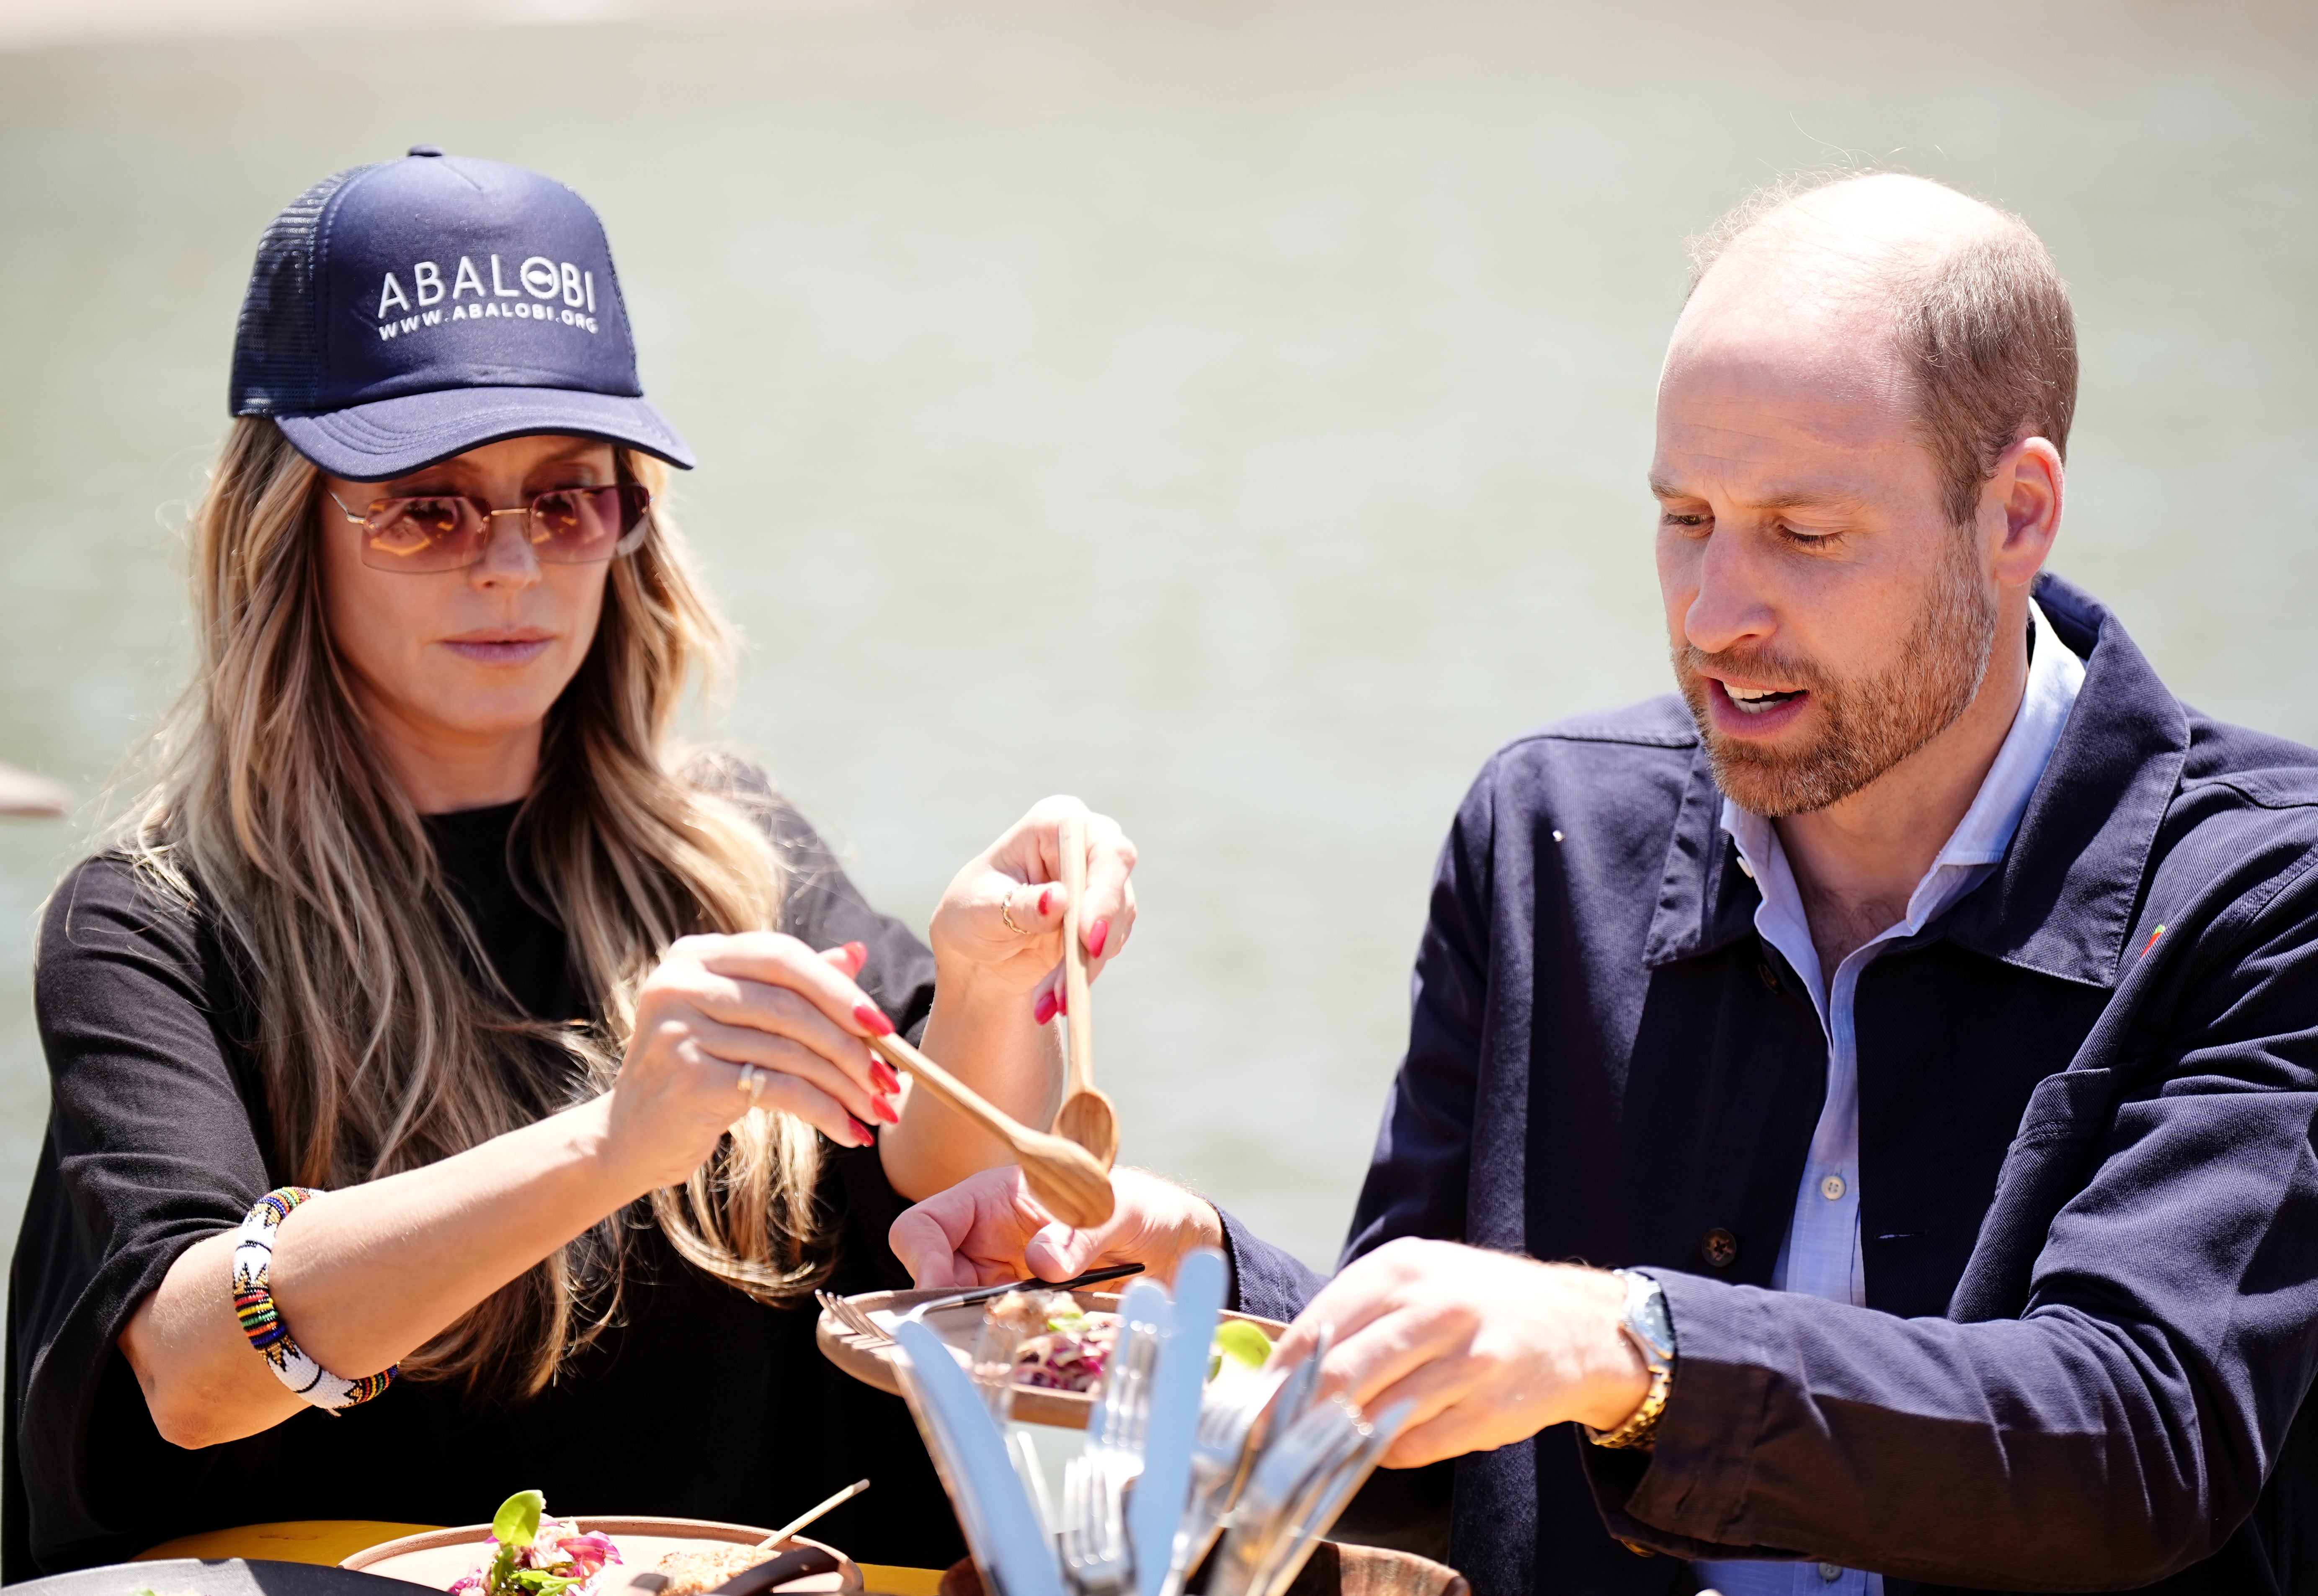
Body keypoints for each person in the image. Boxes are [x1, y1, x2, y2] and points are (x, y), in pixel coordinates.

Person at [891, 173, 2318, 1595]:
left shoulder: (2267, 888)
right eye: (1686, 517)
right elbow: (1443, 1443)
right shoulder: (1544, 828)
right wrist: (1198, 1270)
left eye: (1804, 535)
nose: (1713, 613)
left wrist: (1626, 1347)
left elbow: (2140, 1433)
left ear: (2017, 515)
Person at [5, 148, 1141, 1578]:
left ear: (630, 526)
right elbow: (189, 1367)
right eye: (428, 505)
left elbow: (931, 1201)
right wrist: (615, 1144)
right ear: (290, 536)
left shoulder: (741, 853)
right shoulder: (155, 920)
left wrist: (990, 984)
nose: (514, 565)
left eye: (570, 498)